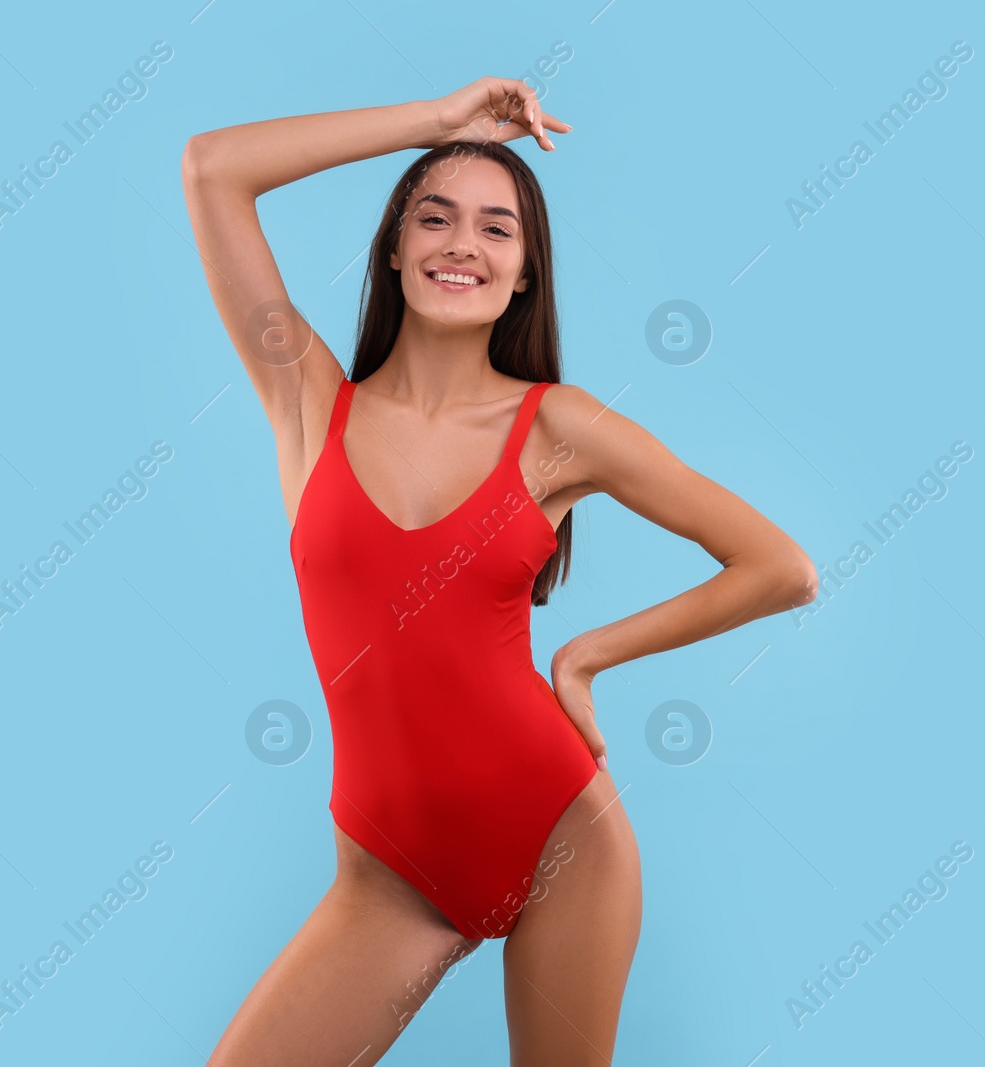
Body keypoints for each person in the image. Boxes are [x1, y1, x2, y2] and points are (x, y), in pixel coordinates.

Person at [181, 76, 818, 1066]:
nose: (460, 245)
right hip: (388, 876)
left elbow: (781, 566)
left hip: (563, 833)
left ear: (524, 274)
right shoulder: (308, 404)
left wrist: (585, 656)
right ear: (393, 247)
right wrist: (435, 123)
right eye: (432, 218)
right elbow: (213, 168)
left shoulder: (556, 428)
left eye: (496, 229)